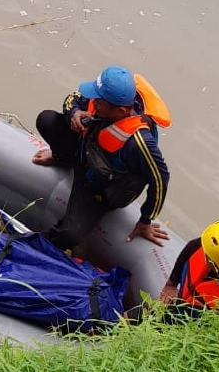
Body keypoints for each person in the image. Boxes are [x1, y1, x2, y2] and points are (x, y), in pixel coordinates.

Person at [35, 65, 172, 250]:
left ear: (121, 111)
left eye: (99, 102)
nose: (94, 101)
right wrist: (74, 113)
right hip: (85, 153)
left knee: (68, 235)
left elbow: (160, 178)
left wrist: (146, 219)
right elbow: (72, 99)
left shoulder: (139, 142)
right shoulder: (102, 98)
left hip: (101, 186)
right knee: (47, 120)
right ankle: (61, 158)